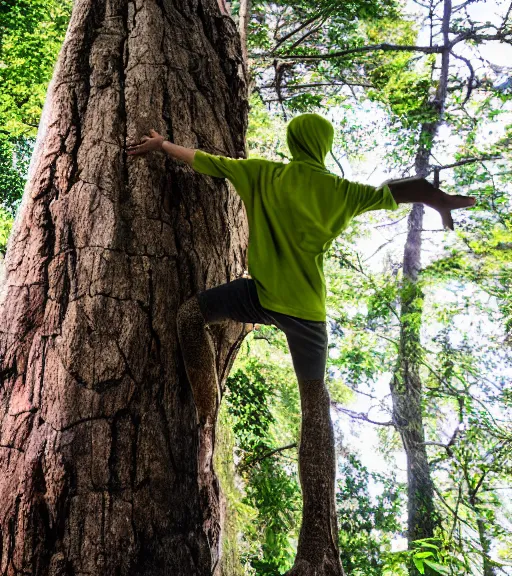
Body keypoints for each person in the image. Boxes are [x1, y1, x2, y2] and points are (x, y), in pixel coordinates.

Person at [127, 114, 475, 572]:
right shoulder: (341, 192)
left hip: (261, 296)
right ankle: (315, 547)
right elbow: (403, 187)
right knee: (315, 408)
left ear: (293, 141)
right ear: (324, 145)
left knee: (189, 315)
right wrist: (439, 200)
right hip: (308, 313)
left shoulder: (263, 172)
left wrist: (161, 143)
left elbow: (201, 160)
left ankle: (207, 403)